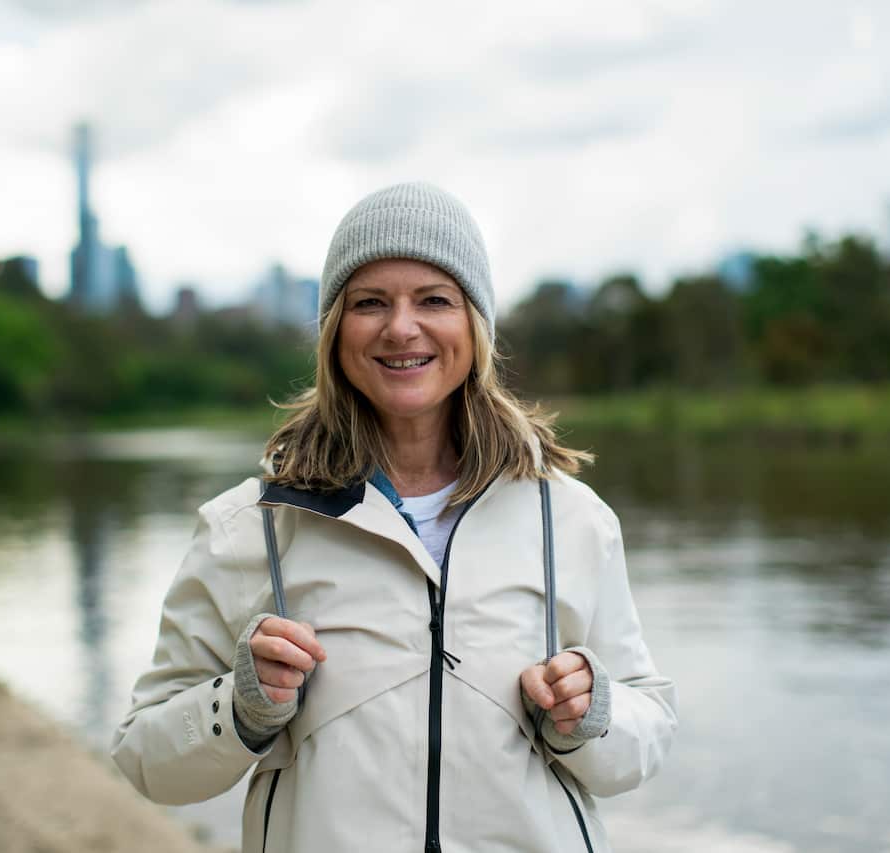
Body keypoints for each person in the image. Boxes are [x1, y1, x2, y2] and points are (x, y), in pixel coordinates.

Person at [111, 183, 677, 852]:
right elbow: (145, 757)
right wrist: (242, 706)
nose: (401, 328)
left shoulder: (573, 518)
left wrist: (590, 712)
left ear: (476, 324)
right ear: (334, 331)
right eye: (369, 302)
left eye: (433, 299)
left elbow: (646, 734)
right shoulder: (249, 525)